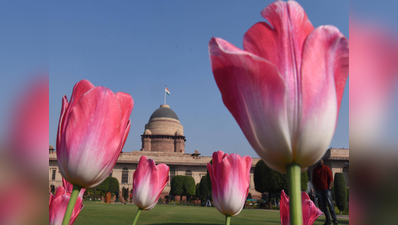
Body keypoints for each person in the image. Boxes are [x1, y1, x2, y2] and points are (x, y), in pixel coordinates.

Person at [312, 159, 338, 225]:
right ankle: (328, 220)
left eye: (322, 161)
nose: (321, 162)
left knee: (330, 205)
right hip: (319, 190)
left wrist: (329, 188)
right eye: (320, 161)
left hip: (326, 189)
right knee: (324, 206)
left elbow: (331, 179)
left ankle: (335, 221)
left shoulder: (326, 168)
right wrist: (316, 189)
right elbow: (313, 180)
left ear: (323, 162)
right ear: (317, 162)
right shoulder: (315, 170)